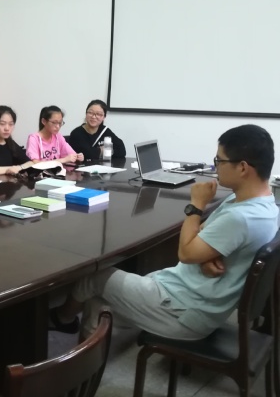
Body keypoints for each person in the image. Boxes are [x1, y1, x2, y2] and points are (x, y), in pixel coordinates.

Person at [50, 124, 279, 341]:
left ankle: (62, 318)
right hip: (191, 295)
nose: (216, 166)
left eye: (219, 160)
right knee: (97, 306)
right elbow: (204, 234)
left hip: (185, 311)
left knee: (93, 277)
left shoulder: (241, 217)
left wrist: (196, 205)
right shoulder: (263, 205)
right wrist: (205, 257)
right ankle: (85, 356)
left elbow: (186, 253)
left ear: (242, 167)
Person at [0, 106, 36, 176]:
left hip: (9, 181)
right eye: (2, 124)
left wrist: (19, 167)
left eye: (11, 124)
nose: (7, 128)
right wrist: (12, 168)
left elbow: (30, 163)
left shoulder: (10, 142)